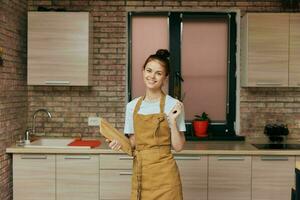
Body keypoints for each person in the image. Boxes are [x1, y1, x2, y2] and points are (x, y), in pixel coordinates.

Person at [107, 49, 186, 200]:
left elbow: (179, 146)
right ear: (143, 71)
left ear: (165, 77)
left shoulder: (174, 104)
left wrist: (172, 122)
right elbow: (133, 143)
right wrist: (119, 143)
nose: (152, 76)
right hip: (141, 173)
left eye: (158, 73)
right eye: (149, 70)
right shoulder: (132, 106)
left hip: (166, 176)